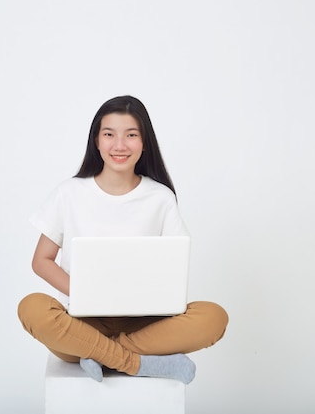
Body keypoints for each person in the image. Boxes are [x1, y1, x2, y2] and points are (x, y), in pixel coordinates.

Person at [17, 95, 228, 384]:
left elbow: (175, 262)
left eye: (131, 135)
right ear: (97, 141)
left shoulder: (160, 198)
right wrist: (86, 291)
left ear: (144, 143)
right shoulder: (69, 193)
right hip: (81, 321)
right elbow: (41, 261)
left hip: (145, 324)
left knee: (214, 317)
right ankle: (136, 363)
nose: (119, 145)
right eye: (109, 135)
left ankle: (100, 356)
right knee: (32, 308)